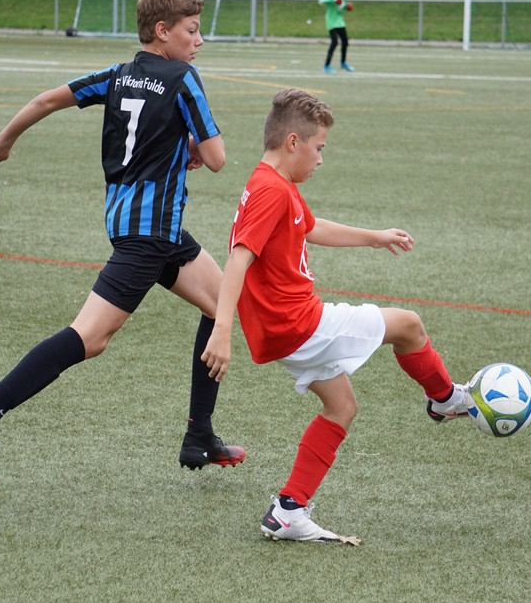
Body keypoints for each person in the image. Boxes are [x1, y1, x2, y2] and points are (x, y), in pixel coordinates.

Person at [0, 0, 245, 495]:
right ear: (162, 30)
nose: (199, 40)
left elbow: (46, 100)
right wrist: (195, 146)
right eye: (192, 30)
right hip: (148, 237)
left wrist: (4, 140)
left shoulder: (118, 75)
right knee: (90, 338)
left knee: (221, 303)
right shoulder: (183, 78)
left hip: (142, 226)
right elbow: (217, 158)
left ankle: (199, 435)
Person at [201, 88, 472, 544]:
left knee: (342, 407)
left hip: (283, 332)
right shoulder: (271, 192)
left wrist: (373, 236)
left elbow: (311, 227)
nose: (321, 159)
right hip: (300, 324)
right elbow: (238, 258)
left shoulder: (272, 182)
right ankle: (444, 399)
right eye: (319, 148)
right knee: (408, 325)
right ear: (293, 142)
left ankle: (288, 510)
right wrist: (222, 330)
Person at [319, 0, 354, 73]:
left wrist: (347, 7)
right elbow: (321, 0)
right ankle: (326, 65)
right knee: (334, 42)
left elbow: (341, 4)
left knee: (345, 41)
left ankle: (343, 62)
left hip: (340, 20)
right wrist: (333, 0)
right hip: (331, 20)